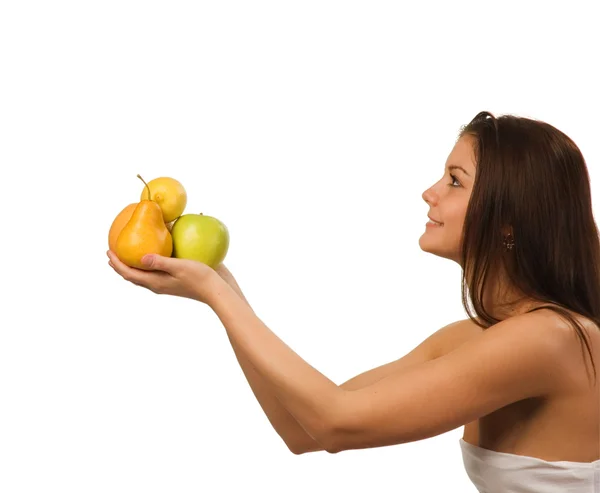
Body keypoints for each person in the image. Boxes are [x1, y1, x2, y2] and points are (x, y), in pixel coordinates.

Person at [107, 111, 600, 492]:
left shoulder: (552, 338)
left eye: (455, 180)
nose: (429, 193)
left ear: (509, 221)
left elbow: (336, 423)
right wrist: (225, 289)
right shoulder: (477, 336)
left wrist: (215, 294)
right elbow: (302, 430)